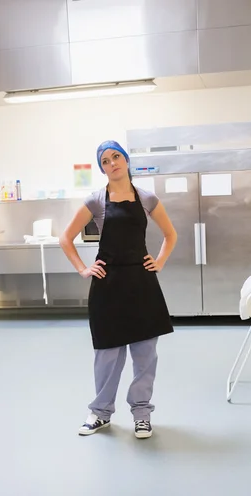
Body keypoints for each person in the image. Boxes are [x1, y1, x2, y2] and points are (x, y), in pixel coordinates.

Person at [60, 140, 177, 439]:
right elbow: (66, 238)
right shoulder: (96, 201)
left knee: (145, 354)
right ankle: (100, 414)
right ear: (102, 169)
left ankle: (141, 414)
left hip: (141, 284)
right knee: (107, 355)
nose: (112, 164)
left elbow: (170, 234)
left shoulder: (147, 198)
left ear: (126, 160)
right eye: (105, 161)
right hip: (108, 287)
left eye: (116, 157)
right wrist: (83, 269)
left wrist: (159, 261)